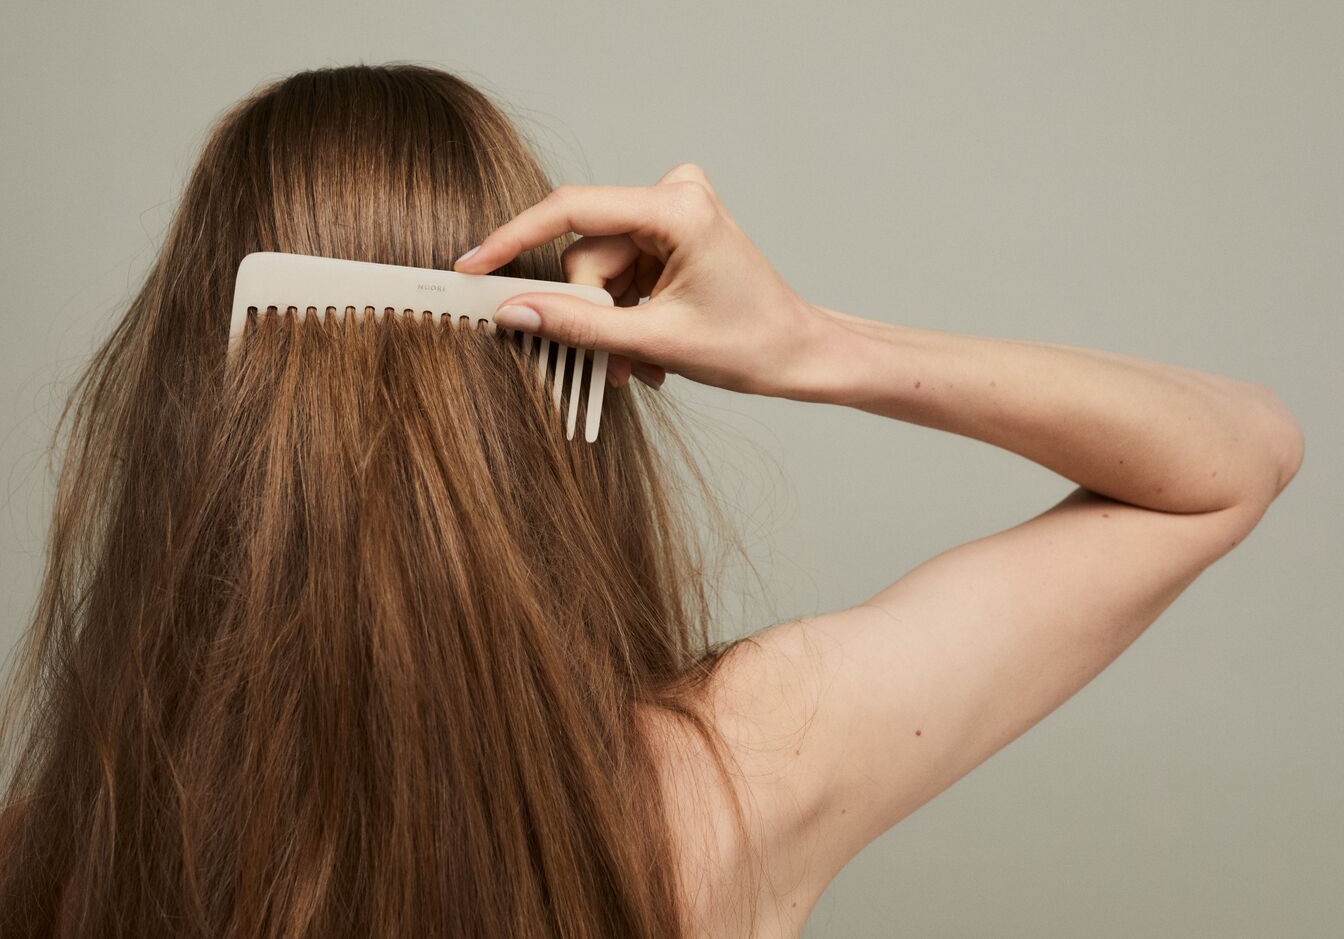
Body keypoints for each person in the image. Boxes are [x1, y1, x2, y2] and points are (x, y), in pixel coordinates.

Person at [0, 64, 1303, 939]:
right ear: (545, 392)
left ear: (193, 404)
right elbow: (1233, 462)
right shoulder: (721, 789)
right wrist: (810, 345)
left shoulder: (45, 860)